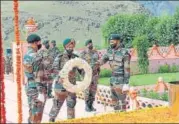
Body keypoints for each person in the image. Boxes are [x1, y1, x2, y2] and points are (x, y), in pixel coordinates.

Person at [97, 34, 131, 111]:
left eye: (113, 41)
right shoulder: (109, 51)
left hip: (121, 80)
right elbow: (101, 62)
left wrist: (126, 83)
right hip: (112, 79)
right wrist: (90, 65)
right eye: (110, 41)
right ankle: (116, 117)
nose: (111, 43)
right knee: (114, 101)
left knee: (122, 101)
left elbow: (127, 68)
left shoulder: (124, 53)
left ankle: (123, 118)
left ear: (118, 41)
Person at [49, 38, 80, 122]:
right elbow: (54, 70)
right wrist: (62, 74)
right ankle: (51, 120)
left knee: (71, 105)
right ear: (65, 46)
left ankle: (71, 121)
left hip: (71, 86)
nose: (70, 47)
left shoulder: (76, 58)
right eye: (69, 46)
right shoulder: (60, 57)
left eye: (72, 45)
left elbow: (81, 70)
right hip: (61, 86)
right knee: (57, 105)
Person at [23, 34, 45, 123]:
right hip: (36, 89)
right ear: (35, 42)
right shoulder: (36, 56)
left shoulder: (27, 55)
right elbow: (38, 76)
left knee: (32, 111)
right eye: (39, 42)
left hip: (29, 86)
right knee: (36, 114)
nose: (40, 44)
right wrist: (41, 92)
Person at [80, 39, 100, 112]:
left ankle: (91, 106)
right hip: (87, 76)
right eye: (89, 44)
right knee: (87, 91)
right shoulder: (83, 53)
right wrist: (83, 75)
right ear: (86, 45)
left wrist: (98, 73)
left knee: (93, 91)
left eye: (91, 43)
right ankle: (87, 106)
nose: (90, 45)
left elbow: (98, 63)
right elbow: (80, 65)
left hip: (94, 75)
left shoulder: (95, 52)